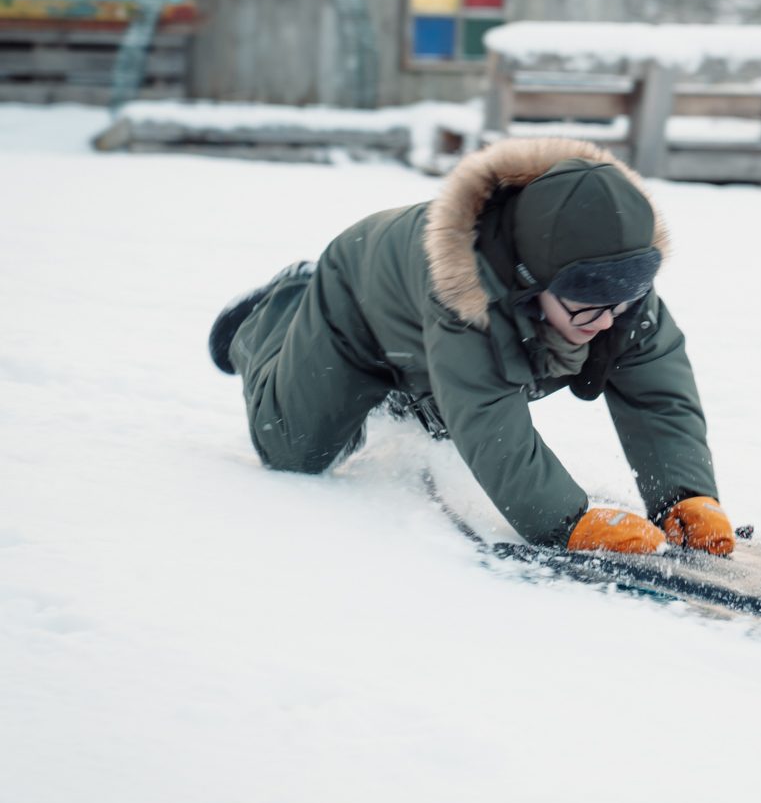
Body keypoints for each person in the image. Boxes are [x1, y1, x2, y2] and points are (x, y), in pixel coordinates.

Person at [207, 137, 734, 558]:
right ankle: (278, 309)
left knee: (448, 412)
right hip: (358, 305)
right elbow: (487, 412)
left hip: (427, 339)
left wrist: (687, 495)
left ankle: (411, 391)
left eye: (621, 303)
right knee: (295, 451)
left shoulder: (615, 286)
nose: (606, 321)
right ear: (531, 280)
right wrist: (568, 522)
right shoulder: (465, 292)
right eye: (585, 307)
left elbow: (657, 388)